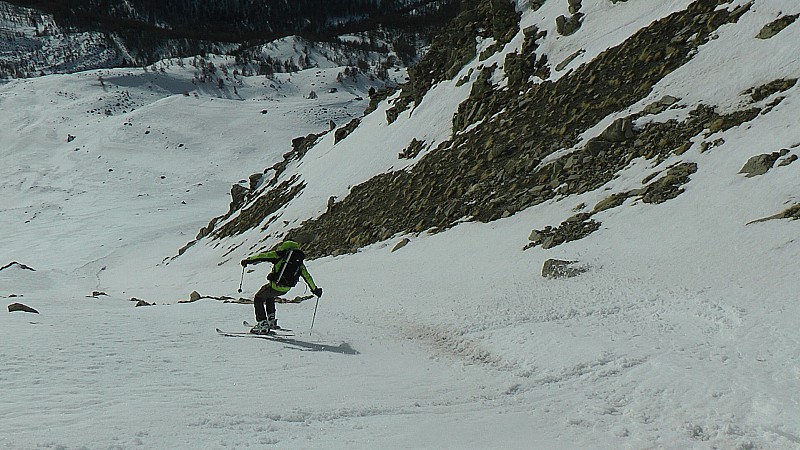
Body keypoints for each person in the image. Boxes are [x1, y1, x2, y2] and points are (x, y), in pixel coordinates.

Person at [241, 240, 322, 334]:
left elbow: (263, 256)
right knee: (269, 296)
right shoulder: (299, 262)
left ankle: (262, 323)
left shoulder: (280, 255)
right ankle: (271, 320)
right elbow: (307, 276)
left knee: (258, 298)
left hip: (276, 285)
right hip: (286, 288)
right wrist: (315, 290)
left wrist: (248, 260)